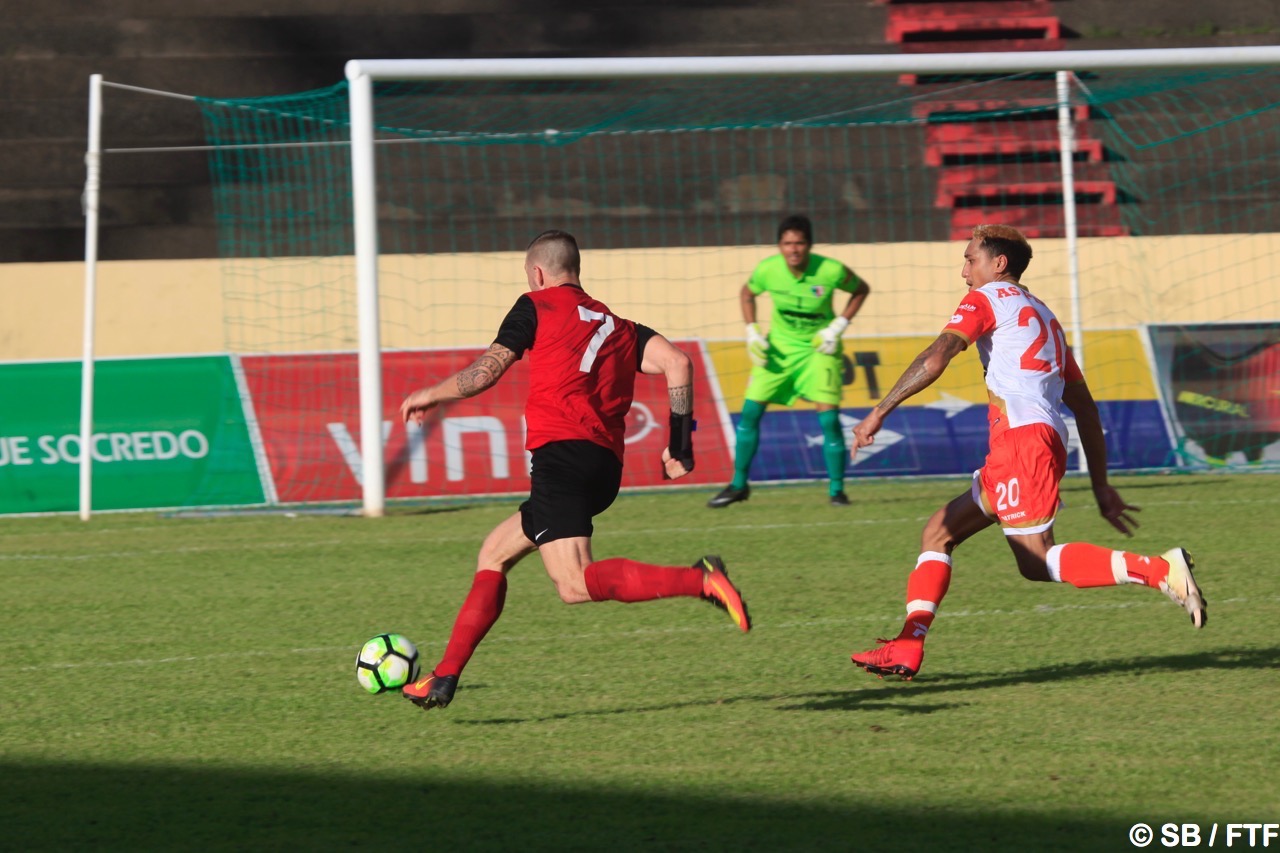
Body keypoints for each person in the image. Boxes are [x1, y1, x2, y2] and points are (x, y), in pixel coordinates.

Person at [398, 230, 752, 711]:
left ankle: (700, 580)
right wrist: (680, 446)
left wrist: (431, 394)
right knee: (494, 554)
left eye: (530, 276)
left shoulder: (535, 306)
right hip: (604, 467)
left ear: (538, 274)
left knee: (573, 583)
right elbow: (678, 362)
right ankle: (443, 678)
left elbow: (486, 371)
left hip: (561, 459)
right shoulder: (618, 326)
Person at [849, 224, 1206, 681]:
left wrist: (879, 411)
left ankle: (1158, 569)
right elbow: (1086, 409)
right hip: (1033, 440)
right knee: (938, 532)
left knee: (1036, 560)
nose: (963, 272)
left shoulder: (986, 299)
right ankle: (907, 645)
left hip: (1022, 442)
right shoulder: (1042, 315)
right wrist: (1100, 485)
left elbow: (937, 356)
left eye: (969, 259)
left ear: (998, 264)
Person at [708, 214, 871, 508]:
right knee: (749, 414)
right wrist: (751, 331)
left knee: (830, 420)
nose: (793, 249)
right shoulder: (768, 270)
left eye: (799, 243)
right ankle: (737, 485)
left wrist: (837, 327)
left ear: (809, 245)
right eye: (787, 244)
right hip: (779, 351)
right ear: (779, 246)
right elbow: (747, 292)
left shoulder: (831, 270)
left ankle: (837, 491)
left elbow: (861, 289)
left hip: (819, 350)